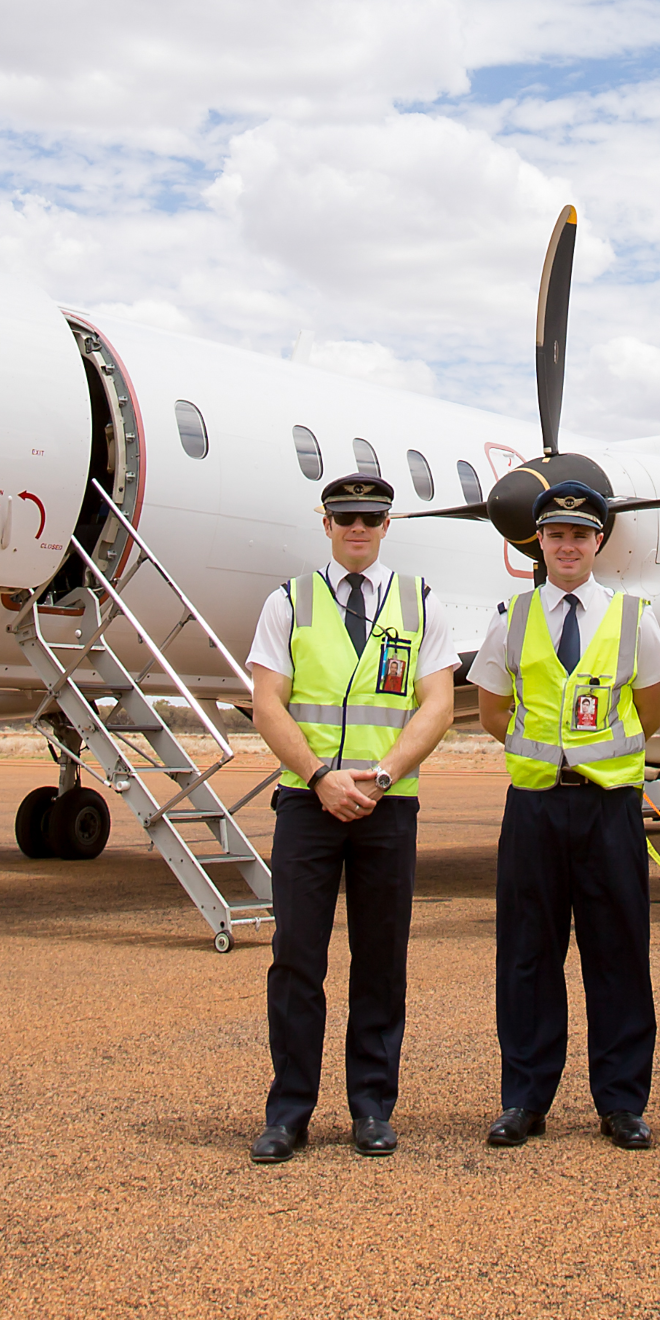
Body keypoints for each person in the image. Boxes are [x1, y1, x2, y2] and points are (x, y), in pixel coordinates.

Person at [242, 472, 458, 1163]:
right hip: (307, 803)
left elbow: (437, 704)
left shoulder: (420, 601)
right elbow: (267, 701)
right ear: (326, 524)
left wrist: (385, 773)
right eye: (344, 518)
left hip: (387, 805)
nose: (356, 529)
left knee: (379, 961)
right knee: (296, 960)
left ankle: (371, 1107)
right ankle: (289, 1112)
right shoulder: (288, 602)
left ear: (386, 525)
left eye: (368, 518)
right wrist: (318, 776)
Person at [470, 479, 660, 1149]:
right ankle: (524, 1099)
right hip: (533, 806)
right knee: (527, 956)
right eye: (555, 534)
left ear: (598, 543)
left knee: (617, 952)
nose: (567, 545)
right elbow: (494, 714)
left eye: (580, 535)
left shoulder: (633, 616)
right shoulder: (511, 615)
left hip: (608, 806)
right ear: (540, 541)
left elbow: (651, 711)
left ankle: (621, 1103)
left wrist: (596, 760)